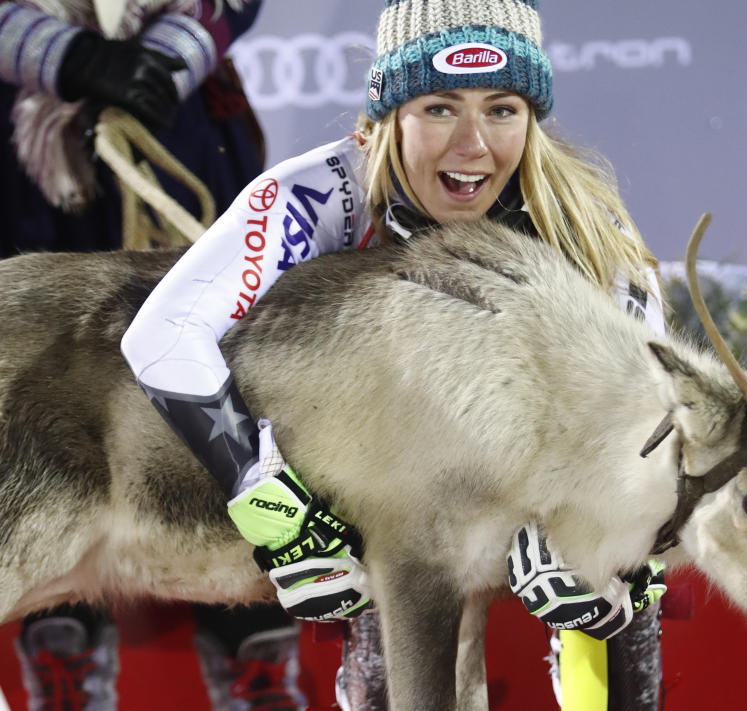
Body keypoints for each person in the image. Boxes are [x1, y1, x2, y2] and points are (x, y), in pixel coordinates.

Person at [121, 0, 667, 707]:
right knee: (400, 560)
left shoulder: (585, 223)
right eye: (440, 107)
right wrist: (265, 494)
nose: (473, 146)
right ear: (386, 115)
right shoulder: (328, 189)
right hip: (392, 482)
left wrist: (612, 544)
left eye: (502, 109)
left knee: (618, 595)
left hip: (543, 474)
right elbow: (160, 334)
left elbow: (657, 423)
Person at [0, 2, 311, 710]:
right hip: (27, 139)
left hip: (177, 113)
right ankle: (64, 657)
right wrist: (67, 59)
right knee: (42, 392)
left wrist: (169, 56)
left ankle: (257, 649)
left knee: (225, 360)